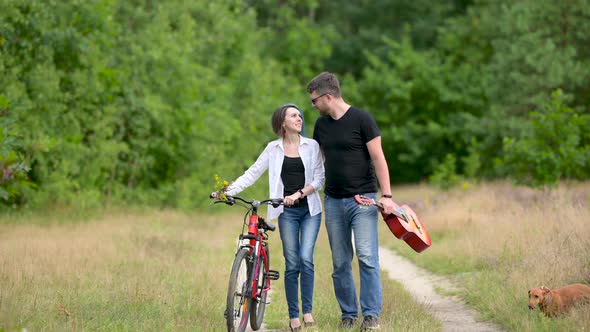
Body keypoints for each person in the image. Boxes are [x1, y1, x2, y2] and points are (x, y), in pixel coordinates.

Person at [306, 72, 398, 331]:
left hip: (364, 200)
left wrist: (387, 196)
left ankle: (371, 315)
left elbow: (379, 159)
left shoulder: (362, 119)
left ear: (328, 97)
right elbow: (318, 162)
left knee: (367, 257)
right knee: (340, 261)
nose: (312, 105)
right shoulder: (321, 126)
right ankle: (348, 314)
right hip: (333, 201)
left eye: (314, 100)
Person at [223, 104, 325, 331]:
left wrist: (298, 194)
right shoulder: (273, 149)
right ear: (282, 123)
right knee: (292, 263)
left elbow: (319, 179)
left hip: (310, 210)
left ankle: (307, 311)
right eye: (293, 115)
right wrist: (228, 191)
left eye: (300, 115)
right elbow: (252, 173)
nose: (299, 118)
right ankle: (294, 316)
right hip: (286, 212)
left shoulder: (312, 146)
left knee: (306, 259)